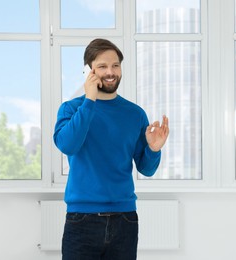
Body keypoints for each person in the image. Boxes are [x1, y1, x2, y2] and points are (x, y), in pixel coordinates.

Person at [53, 38, 169, 260]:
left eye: (115, 65)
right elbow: (68, 145)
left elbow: (146, 169)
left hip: (125, 220)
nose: (110, 72)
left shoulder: (135, 114)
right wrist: (90, 100)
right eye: (103, 66)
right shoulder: (71, 109)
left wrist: (153, 149)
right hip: (81, 220)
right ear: (90, 70)